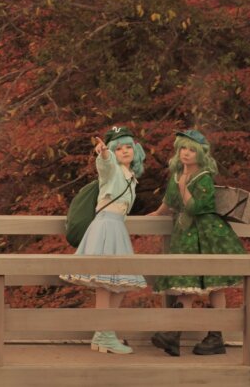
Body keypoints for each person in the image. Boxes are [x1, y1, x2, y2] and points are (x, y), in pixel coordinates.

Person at [147, 128, 246, 357]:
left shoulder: (204, 177)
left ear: (201, 154)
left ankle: (215, 335)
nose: (186, 153)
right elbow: (171, 201)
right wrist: (158, 211)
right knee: (186, 282)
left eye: (192, 150)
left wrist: (184, 188)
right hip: (186, 235)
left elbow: (195, 207)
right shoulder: (177, 174)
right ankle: (174, 334)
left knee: (215, 284)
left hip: (208, 234)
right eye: (183, 148)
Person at [60, 124, 146, 355]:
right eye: (120, 149)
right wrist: (104, 152)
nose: (125, 151)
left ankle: (103, 333)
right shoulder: (113, 170)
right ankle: (105, 334)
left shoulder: (131, 177)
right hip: (106, 226)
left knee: (119, 284)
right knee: (106, 284)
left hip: (117, 228)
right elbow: (105, 165)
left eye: (128, 147)